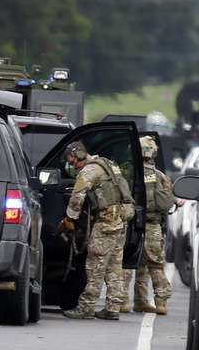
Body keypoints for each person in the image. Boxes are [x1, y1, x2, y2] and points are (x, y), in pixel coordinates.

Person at [59, 141, 135, 320]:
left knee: (95, 264)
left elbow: (77, 197)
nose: (73, 166)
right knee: (114, 265)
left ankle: (86, 307)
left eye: (73, 162)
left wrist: (70, 218)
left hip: (106, 222)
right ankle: (113, 307)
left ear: (78, 155)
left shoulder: (89, 170)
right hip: (121, 219)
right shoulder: (108, 164)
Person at [122, 136, 176, 315]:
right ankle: (159, 302)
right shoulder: (160, 176)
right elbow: (167, 202)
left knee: (126, 262)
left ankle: (123, 302)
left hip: (131, 226)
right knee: (154, 265)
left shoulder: (128, 172)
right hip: (153, 226)